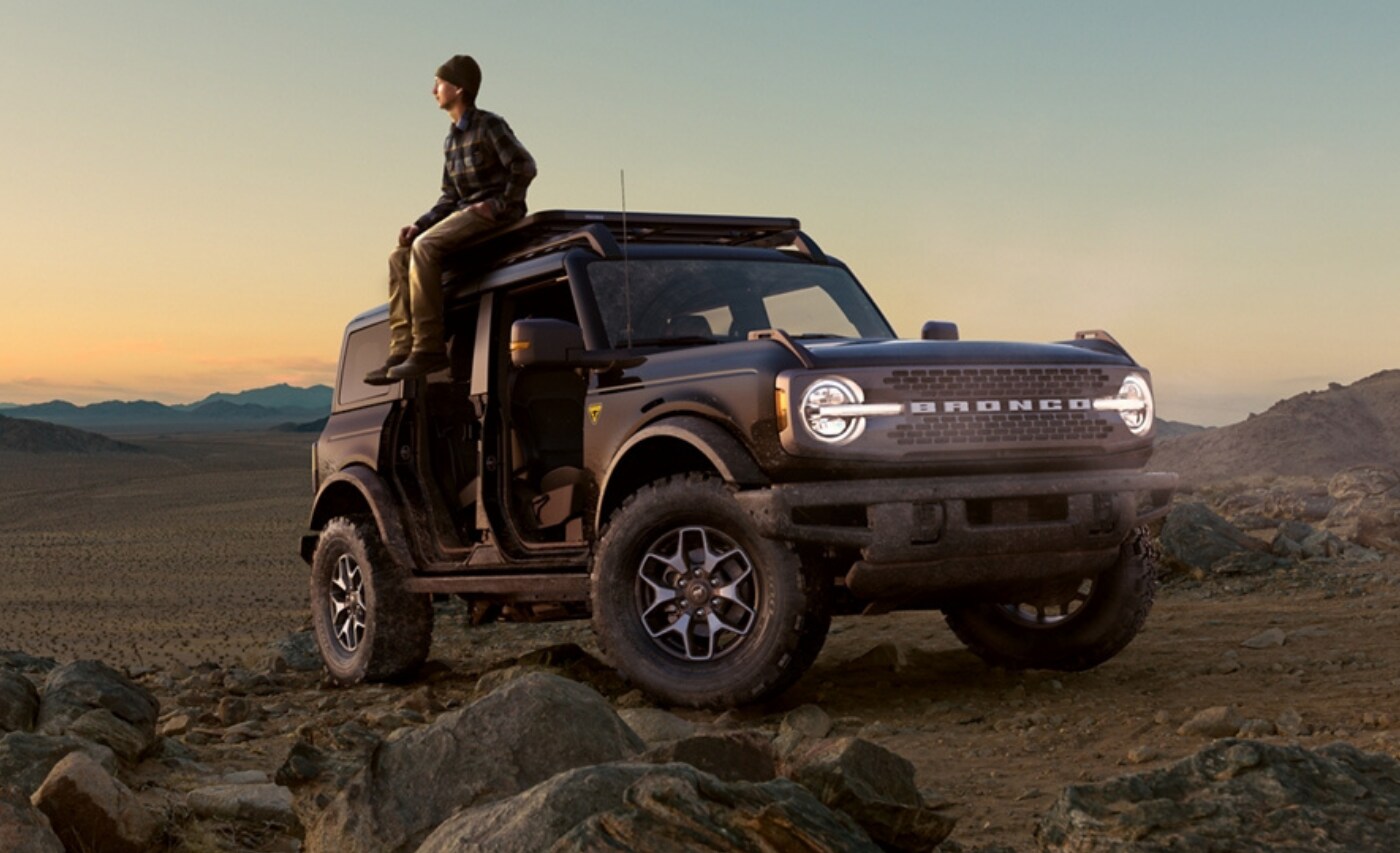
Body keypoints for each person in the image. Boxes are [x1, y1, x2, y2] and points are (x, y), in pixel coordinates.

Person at [366, 54, 537, 384]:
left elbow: (524, 166)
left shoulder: (490, 125)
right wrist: (419, 223)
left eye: (439, 83)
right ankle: (402, 350)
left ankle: (429, 348)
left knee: (425, 249)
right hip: (465, 214)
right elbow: (450, 197)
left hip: (495, 216)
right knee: (400, 255)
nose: (433, 90)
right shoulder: (451, 140)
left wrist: (501, 205)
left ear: (459, 88)